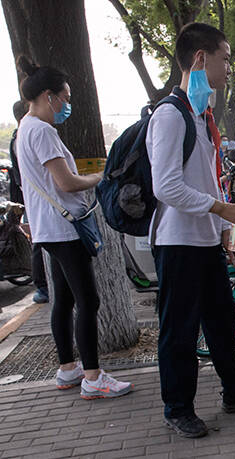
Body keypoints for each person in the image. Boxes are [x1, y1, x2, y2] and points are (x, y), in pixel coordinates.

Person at [147, 22, 235, 439]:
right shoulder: (169, 115)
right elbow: (165, 186)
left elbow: (206, 181)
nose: (228, 70)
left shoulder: (199, 117)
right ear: (200, 59)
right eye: (225, 60)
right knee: (180, 331)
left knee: (221, 320)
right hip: (177, 243)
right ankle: (177, 407)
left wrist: (224, 229)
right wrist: (220, 208)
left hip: (203, 240)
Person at [14, 55, 133, 398]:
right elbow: (66, 183)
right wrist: (98, 177)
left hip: (49, 228)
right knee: (88, 300)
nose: (66, 105)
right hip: (65, 228)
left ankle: (68, 368)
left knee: (64, 300)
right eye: (64, 99)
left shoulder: (25, 127)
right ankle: (93, 377)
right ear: (48, 96)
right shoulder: (43, 131)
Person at [8, 99, 49, 303]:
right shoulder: (24, 136)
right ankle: (42, 286)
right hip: (34, 198)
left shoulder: (22, 135)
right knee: (40, 242)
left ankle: (43, 285)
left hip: (32, 198)